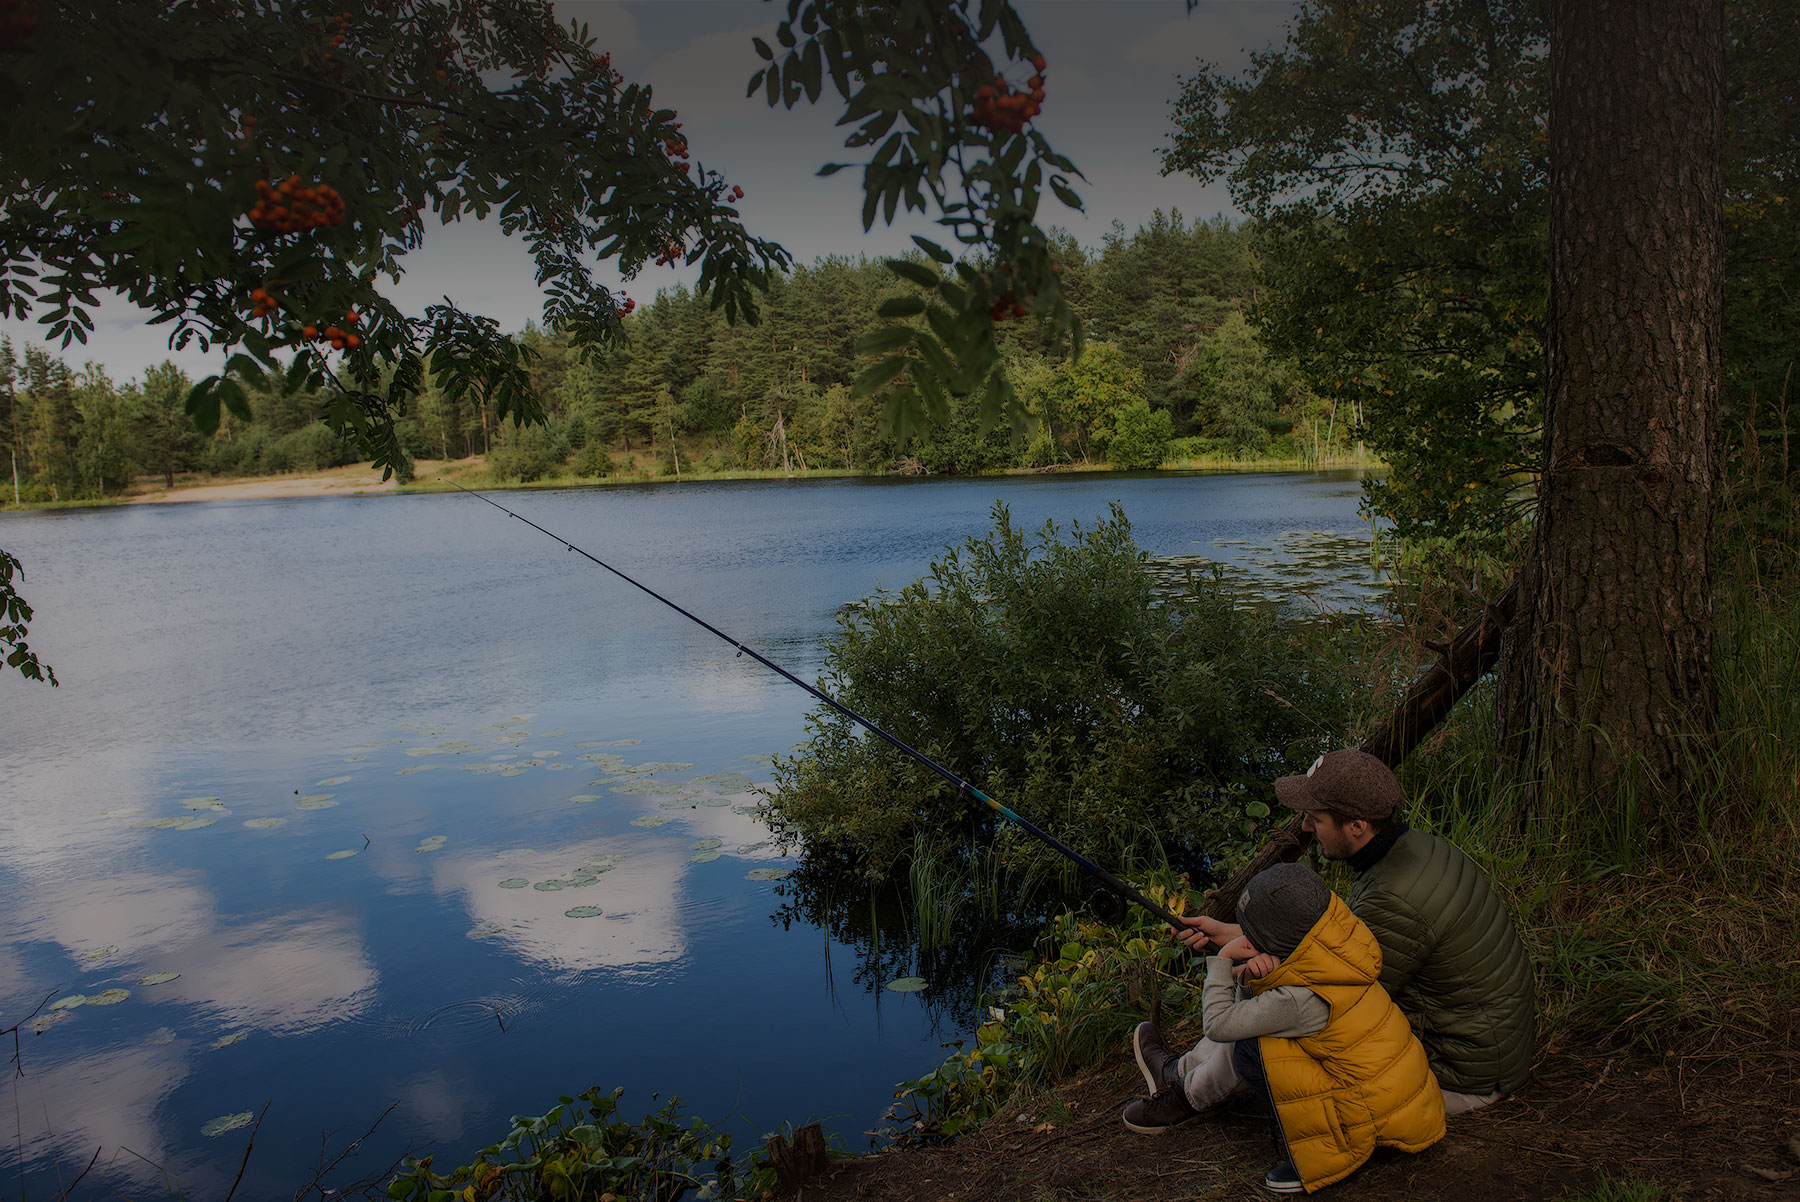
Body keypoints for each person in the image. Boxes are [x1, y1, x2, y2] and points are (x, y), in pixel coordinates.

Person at [1123, 749, 1536, 1134]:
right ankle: (1179, 1072)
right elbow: (1335, 947)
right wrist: (1237, 934)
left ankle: (1187, 1095)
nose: (1305, 827)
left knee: (1274, 1012)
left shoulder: (1392, 899)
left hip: (1457, 1071)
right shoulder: (1413, 851)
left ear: (1357, 825)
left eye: (1315, 819)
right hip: (1482, 1045)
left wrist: (1241, 969)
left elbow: (1332, 992)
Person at [1164, 861, 1445, 1193]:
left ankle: (1323, 1156)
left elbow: (1219, 1025)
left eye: (1251, 937)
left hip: (1369, 1118)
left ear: (1273, 946)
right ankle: (1182, 1074)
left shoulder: (1296, 1000)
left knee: (1253, 1051)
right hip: (1407, 1100)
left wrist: (1223, 962)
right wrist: (1252, 973)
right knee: (1267, 1040)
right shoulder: (1338, 949)